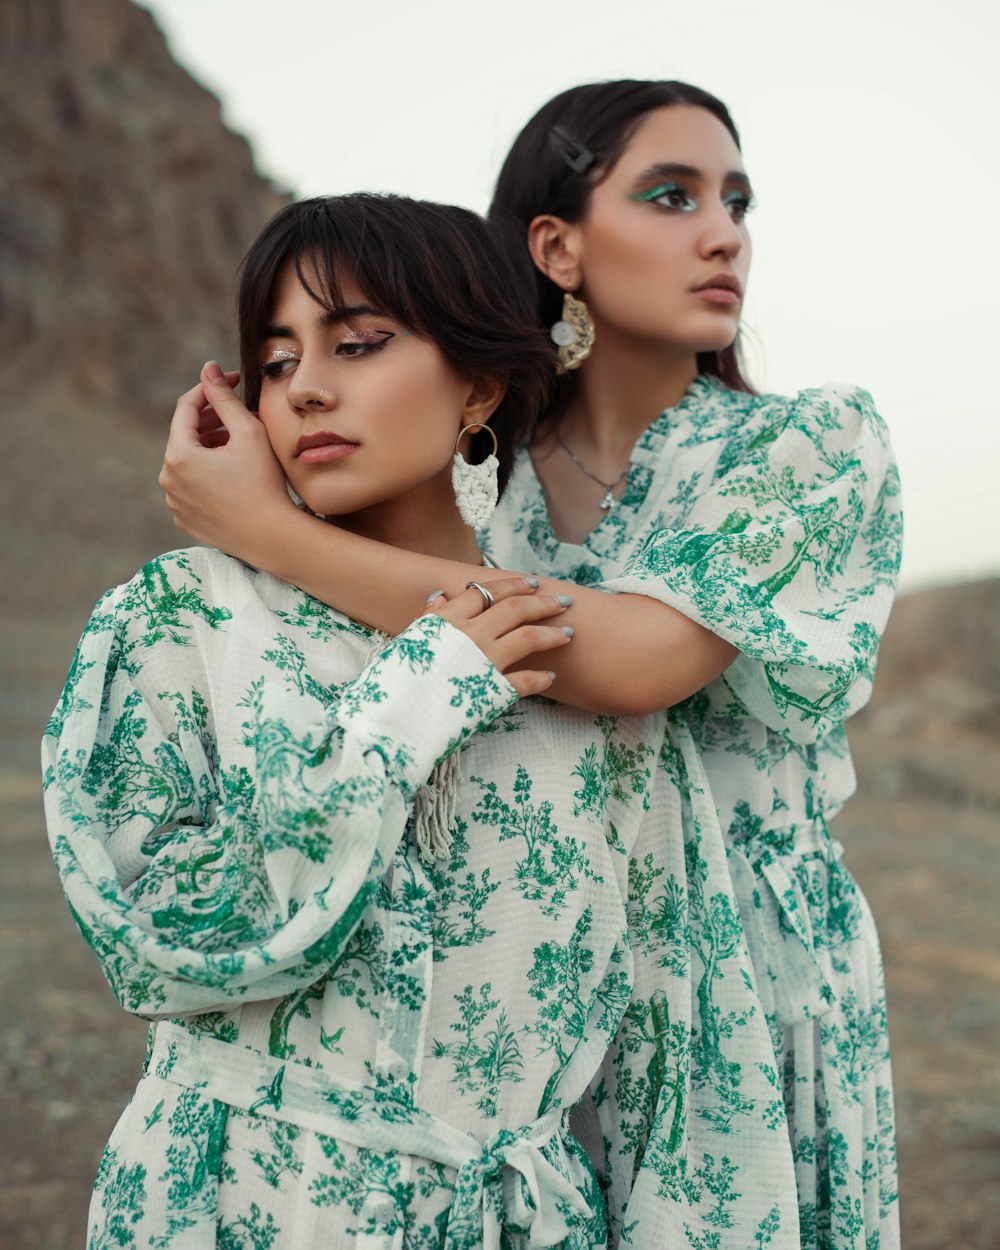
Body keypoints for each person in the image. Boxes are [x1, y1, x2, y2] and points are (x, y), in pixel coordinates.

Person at [157, 83, 903, 1250]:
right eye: (672, 194)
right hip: (525, 986)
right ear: (554, 243)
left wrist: (263, 528)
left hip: (743, 982)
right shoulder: (472, 480)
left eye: (737, 201)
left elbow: (639, 657)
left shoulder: (808, 446)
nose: (723, 233)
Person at [44, 193, 681, 1249]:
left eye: (358, 342)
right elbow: (159, 943)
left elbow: (664, 1050)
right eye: (278, 359)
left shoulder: (574, 656)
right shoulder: (182, 616)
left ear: (478, 383)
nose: (309, 389)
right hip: (241, 1203)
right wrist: (417, 695)